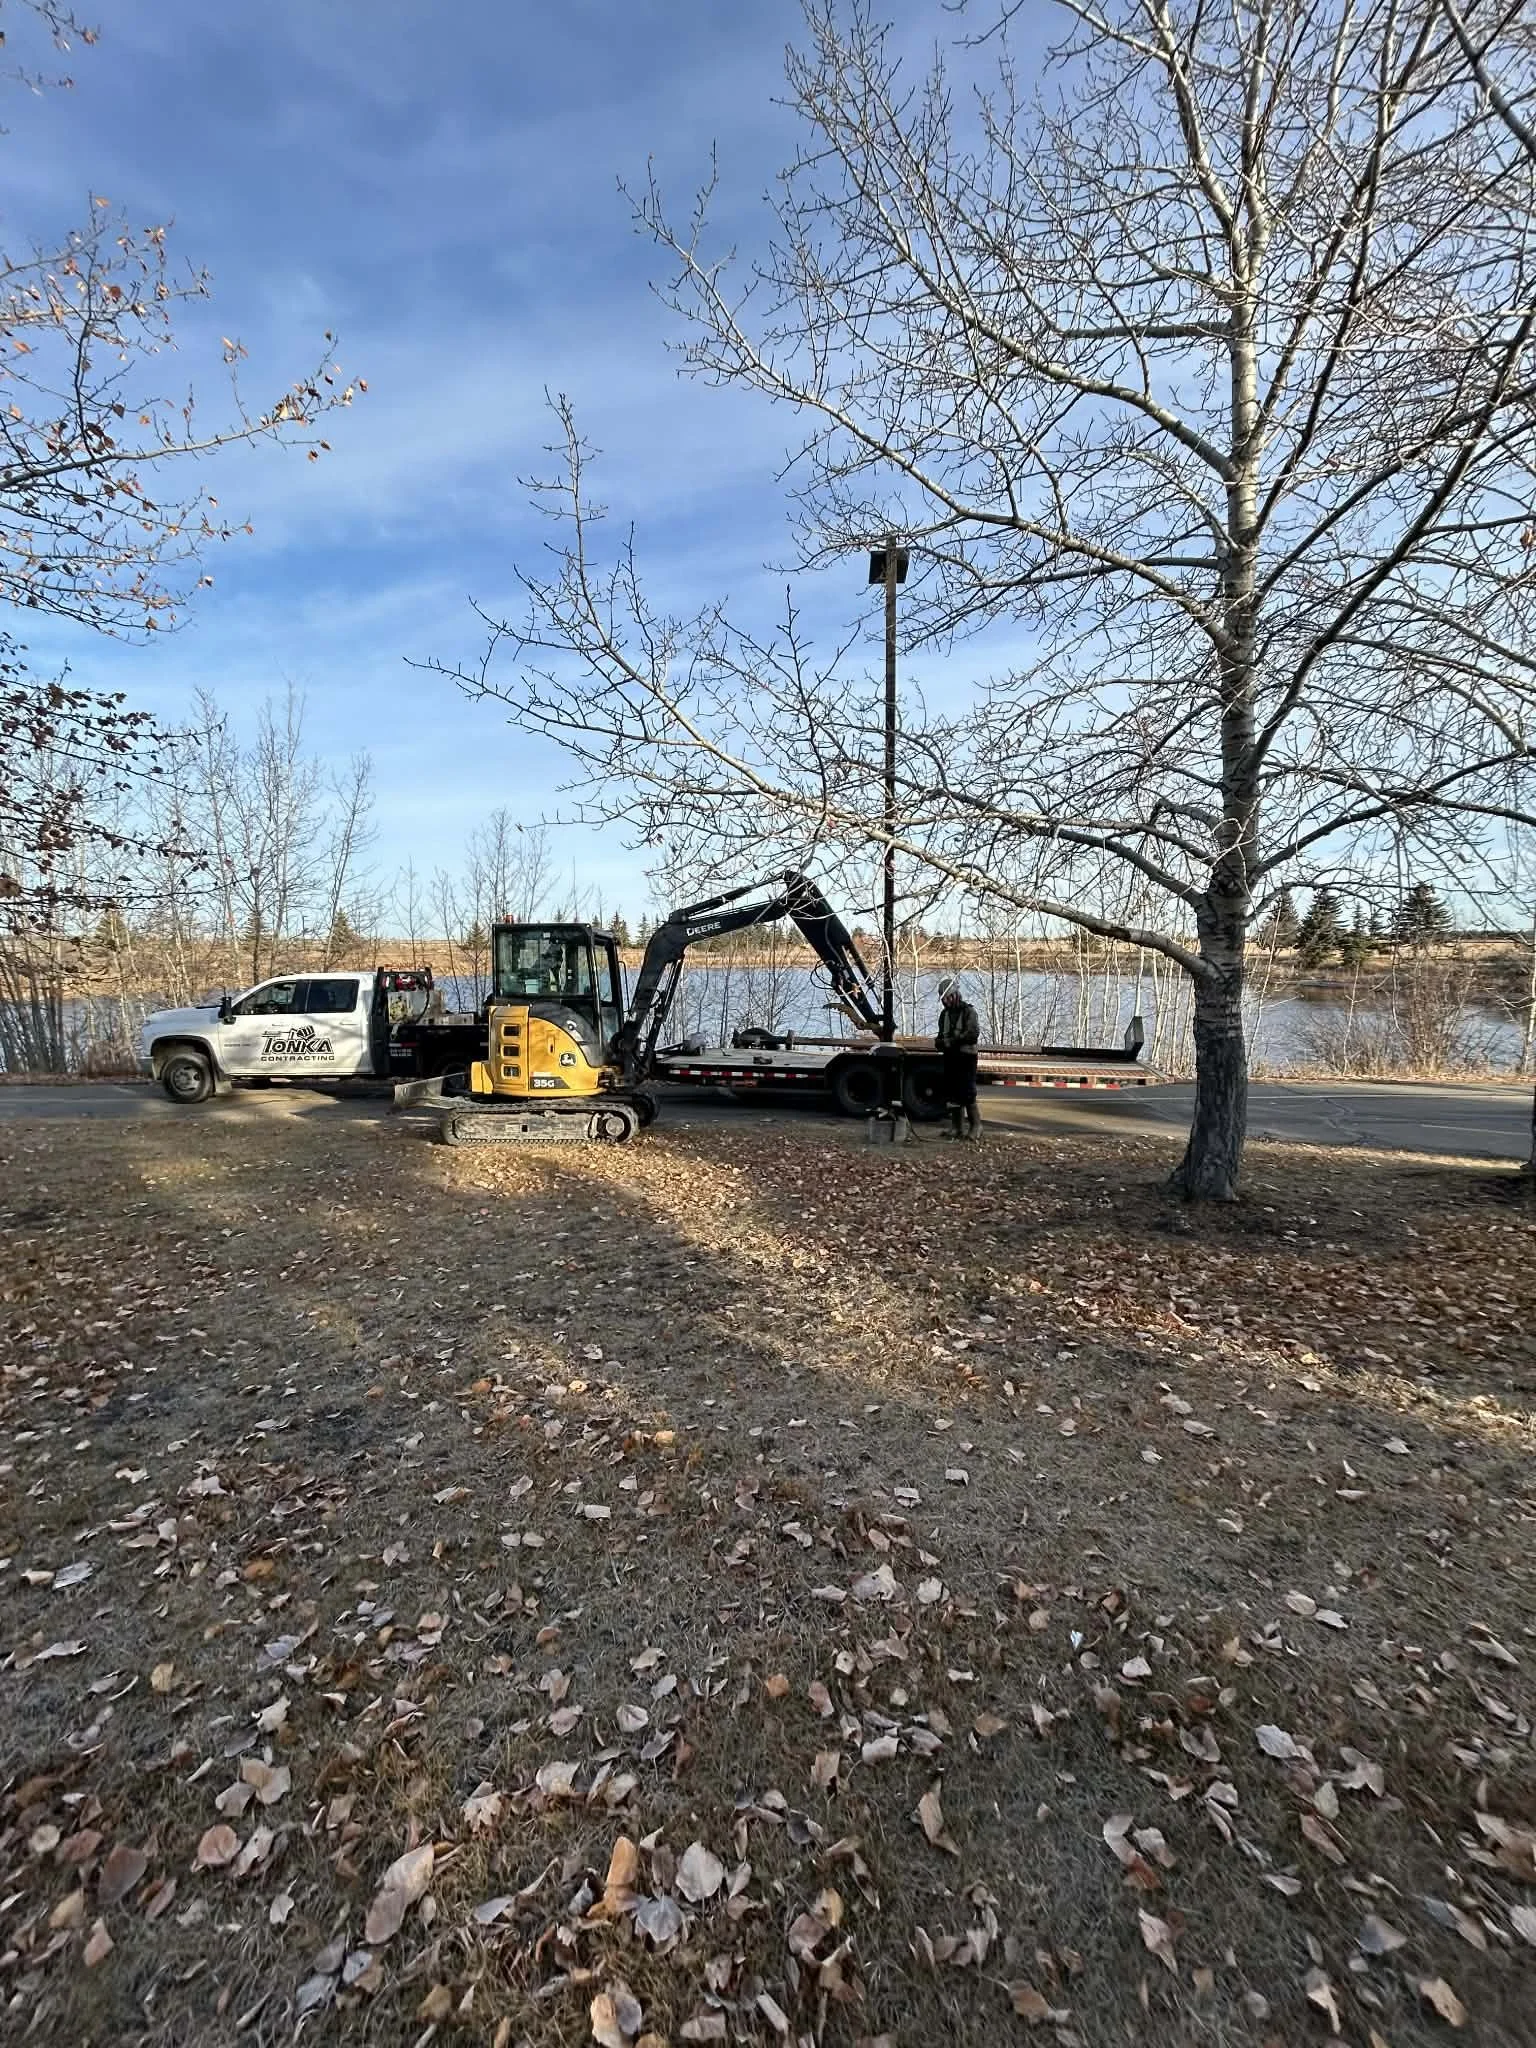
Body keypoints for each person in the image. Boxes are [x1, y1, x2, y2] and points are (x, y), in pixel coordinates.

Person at [936, 977, 981, 1139]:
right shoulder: (944, 1015)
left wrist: (953, 1041)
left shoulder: (969, 1012)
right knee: (952, 1093)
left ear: (955, 995)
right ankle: (957, 1127)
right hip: (950, 1057)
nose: (946, 1001)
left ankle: (976, 1126)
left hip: (966, 1057)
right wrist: (940, 1042)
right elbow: (941, 1035)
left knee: (967, 1093)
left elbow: (972, 1034)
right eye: (943, 999)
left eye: (948, 997)